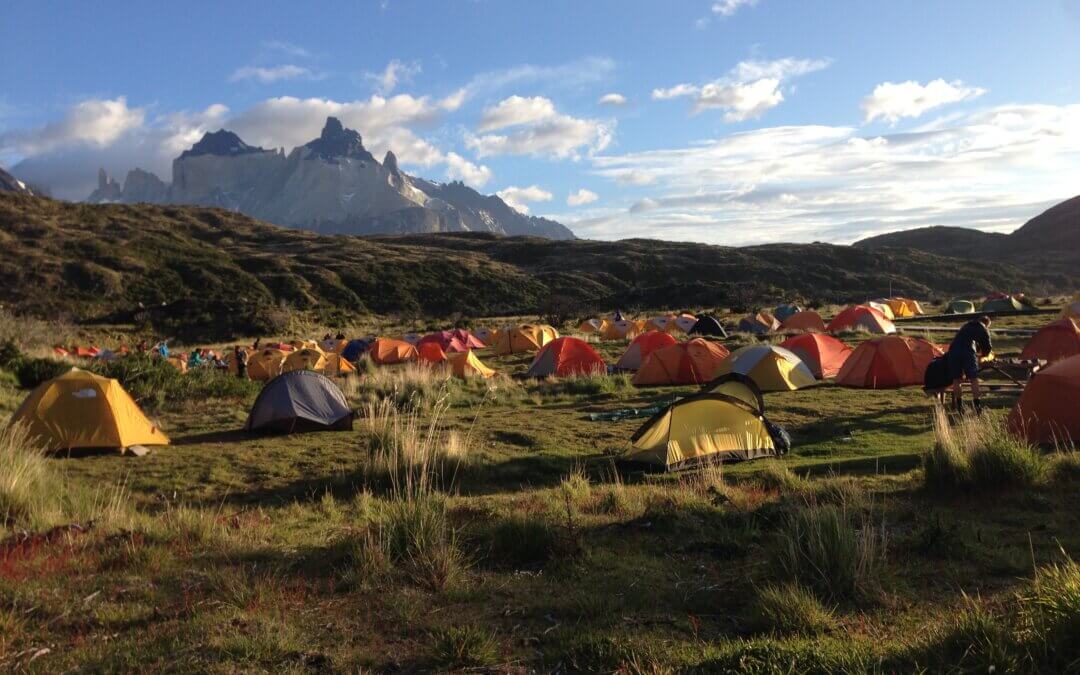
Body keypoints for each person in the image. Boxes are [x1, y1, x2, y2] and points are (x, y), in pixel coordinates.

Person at [946, 315, 993, 414]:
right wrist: (983, 356)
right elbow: (988, 347)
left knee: (956, 379)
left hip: (953, 351)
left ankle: (959, 406)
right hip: (967, 352)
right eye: (988, 326)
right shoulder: (982, 327)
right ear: (986, 323)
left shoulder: (966, 326)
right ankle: (977, 407)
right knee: (973, 379)